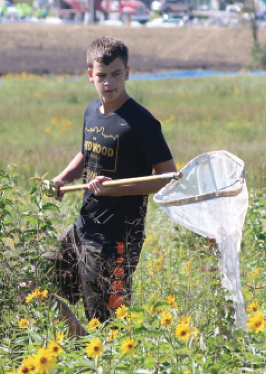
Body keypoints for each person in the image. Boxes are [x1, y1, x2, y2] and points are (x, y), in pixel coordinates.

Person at [29, 36, 176, 336]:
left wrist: (115, 190)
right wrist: (62, 178)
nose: (108, 83)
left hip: (117, 240)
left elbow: (167, 178)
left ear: (128, 73)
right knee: (33, 282)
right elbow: (88, 152)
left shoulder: (142, 122)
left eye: (116, 74)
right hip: (82, 228)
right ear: (90, 75)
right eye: (102, 76)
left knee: (111, 326)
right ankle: (82, 344)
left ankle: (101, 358)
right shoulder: (91, 112)